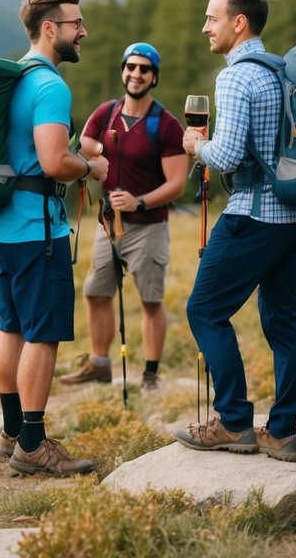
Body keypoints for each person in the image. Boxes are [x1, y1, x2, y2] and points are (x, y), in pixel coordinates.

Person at [173, 0, 296, 463]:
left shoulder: (235, 77)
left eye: (212, 18)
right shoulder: (283, 70)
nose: (204, 27)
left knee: (204, 309)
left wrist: (197, 147)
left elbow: (230, 153)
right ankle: (283, 431)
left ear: (239, 23)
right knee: (283, 320)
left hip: (255, 214)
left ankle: (233, 420)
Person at [0, 0, 109, 477]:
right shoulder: (51, 86)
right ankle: (32, 442)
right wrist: (90, 167)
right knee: (43, 333)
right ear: (51, 29)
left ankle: (12, 430)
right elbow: (55, 161)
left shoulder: (14, 76)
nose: (84, 32)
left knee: (10, 323)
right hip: (37, 228)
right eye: (76, 24)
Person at [61, 42, 187, 390]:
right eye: (130, 67)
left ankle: (150, 374)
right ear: (122, 71)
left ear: (154, 77)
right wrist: (99, 154)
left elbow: (176, 183)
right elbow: (82, 145)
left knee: (150, 300)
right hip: (107, 225)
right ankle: (100, 364)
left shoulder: (166, 125)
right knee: (95, 291)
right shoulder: (106, 113)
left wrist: (139, 202)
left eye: (144, 69)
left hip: (149, 227)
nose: (136, 74)